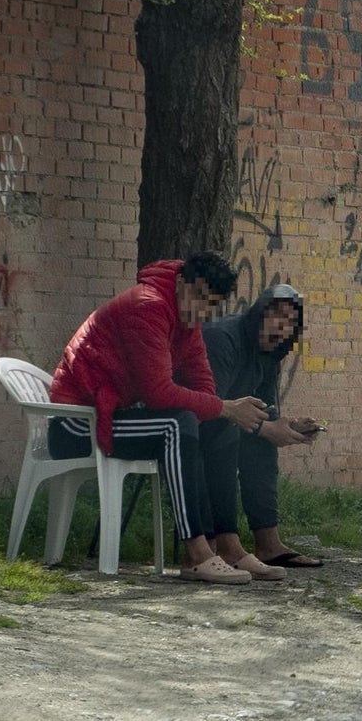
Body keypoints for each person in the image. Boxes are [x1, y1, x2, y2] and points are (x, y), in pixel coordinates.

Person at [47, 251, 270, 585]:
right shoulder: (147, 305)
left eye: (210, 305)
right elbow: (159, 394)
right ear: (181, 283)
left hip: (113, 415)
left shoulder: (186, 320)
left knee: (217, 423)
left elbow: (203, 383)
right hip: (76, 424)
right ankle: (196, 553)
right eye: (198, 297)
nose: (201, 310)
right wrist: (224, 406)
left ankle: (227, 545)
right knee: (176, 424)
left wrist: (220, 411)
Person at [199, 284, 325, 580]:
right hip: (194, 425)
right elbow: (210, 406)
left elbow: (266, 412)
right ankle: (225, 544)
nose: (282, 327)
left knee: (261, 443)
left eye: (291, 322)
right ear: (258, 314)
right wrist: (266, 428)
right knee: (230, 434)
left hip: (229, 421)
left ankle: (268, 544)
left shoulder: (271, 353)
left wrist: (288, 427)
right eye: (276, 316)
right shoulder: (223, 338)